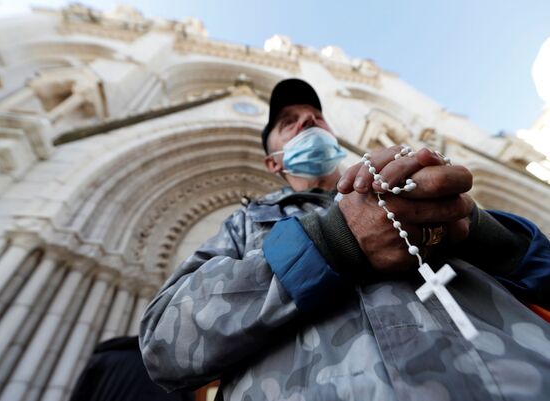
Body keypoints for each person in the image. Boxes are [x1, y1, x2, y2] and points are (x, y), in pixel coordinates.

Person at [140, 78, 550, 401]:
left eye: (317, 117)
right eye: (289, 122)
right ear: (273, 162)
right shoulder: (244, 224)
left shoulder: (408, 186)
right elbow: (163, 343)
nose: (308, 122)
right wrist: (333, 240)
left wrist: (477, 227)